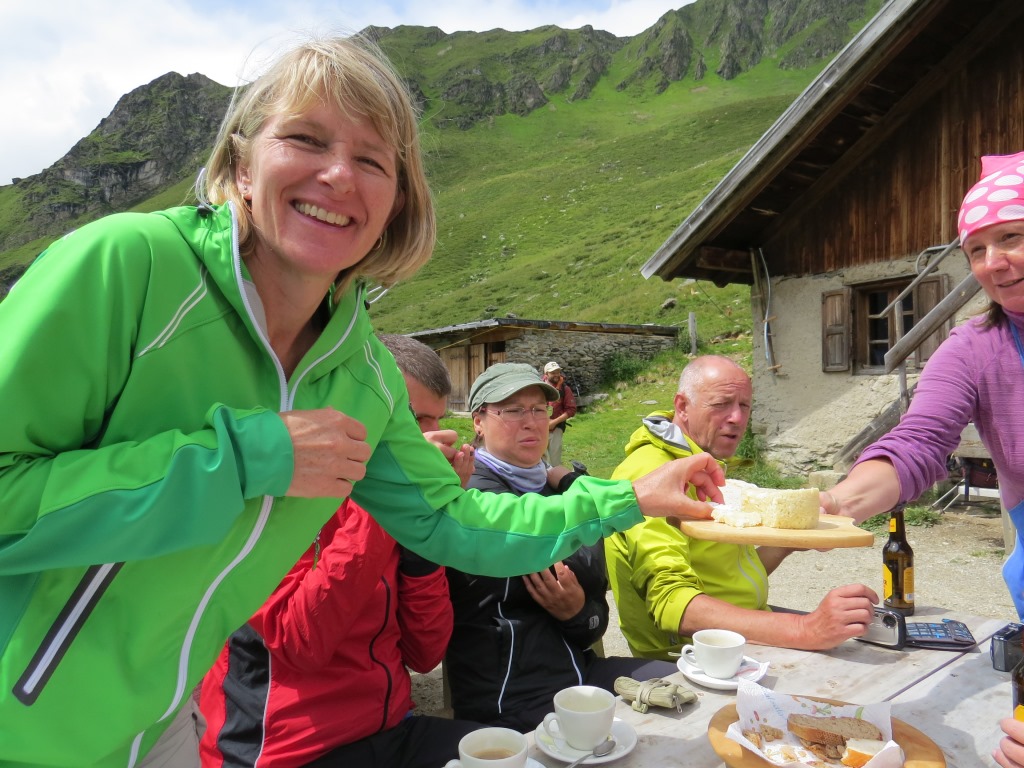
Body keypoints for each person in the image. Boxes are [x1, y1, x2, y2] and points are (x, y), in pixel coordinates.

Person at [0, 34, 726, 768]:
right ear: (241, 163)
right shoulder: (128, 266)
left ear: (395, 204)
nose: (339, 174)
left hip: (155, 727)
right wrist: (248, 458)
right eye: (305, 139)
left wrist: (632, 495)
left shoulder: (367, 374)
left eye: (373, 160)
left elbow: (453, 520)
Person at [810, 152, 1024, 768]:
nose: (992, 263)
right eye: (976, 249)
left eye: (1011, 237)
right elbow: (919, 443)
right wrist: (835, 503)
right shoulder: (974, 348)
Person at [199, 334, 481, 768]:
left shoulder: (386, 511)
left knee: (514, 755)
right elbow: (301, 643)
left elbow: (425, 655)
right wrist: (385, 506)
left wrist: (424, 532)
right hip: (286, 749)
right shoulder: (277, 502)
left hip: (388, 728)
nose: (430, 438)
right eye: (411, 419)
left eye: (435, 422)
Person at [444, 363, 678, 732]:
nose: (532, 422)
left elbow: (592, 613)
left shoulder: (553, 488)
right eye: (513, 410)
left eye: (539, 409)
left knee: (684, 686)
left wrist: (578, 613)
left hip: (579, 673)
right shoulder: (469, 489)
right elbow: (549, 554)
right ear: (478, 421)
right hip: (510, 697)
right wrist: (576, 487)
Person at [605, 355, 878, 660]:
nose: (737, 418)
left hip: (734, 641)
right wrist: (805, 629)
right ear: (682, 406)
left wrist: (791, 542)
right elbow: (673, 606)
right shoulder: (652, 475)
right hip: (691, 658)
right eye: (721, 404)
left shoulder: (699, 463)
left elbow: (728, 575)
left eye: (744, 405)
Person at [542, 360, 576, 467]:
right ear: (546, 374)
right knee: (540, 461)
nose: (556, 375)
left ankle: (556, 482)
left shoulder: (565, 389)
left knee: (554, 461)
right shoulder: (539, 387)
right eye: (553, 372)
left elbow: (571, 410)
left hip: (556, 429)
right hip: (539, 429)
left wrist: (553, 422)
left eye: (558, 372)